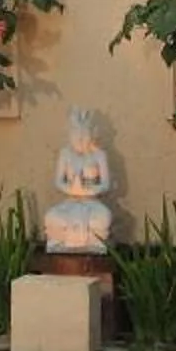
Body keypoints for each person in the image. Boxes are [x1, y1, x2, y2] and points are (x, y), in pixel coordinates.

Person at [42, 108, 112, 255]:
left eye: (84, 136)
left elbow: (106, 184)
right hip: (70, 202)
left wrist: (88, 191)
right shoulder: (65, 154)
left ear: (91, 135)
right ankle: (62, 241)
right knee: (51, 218)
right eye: (76, 135)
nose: (80, 140)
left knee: (102, 219)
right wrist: (72, 190)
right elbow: (58, 182)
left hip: (91, 203)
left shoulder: (99, 155)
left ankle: (92, 242)